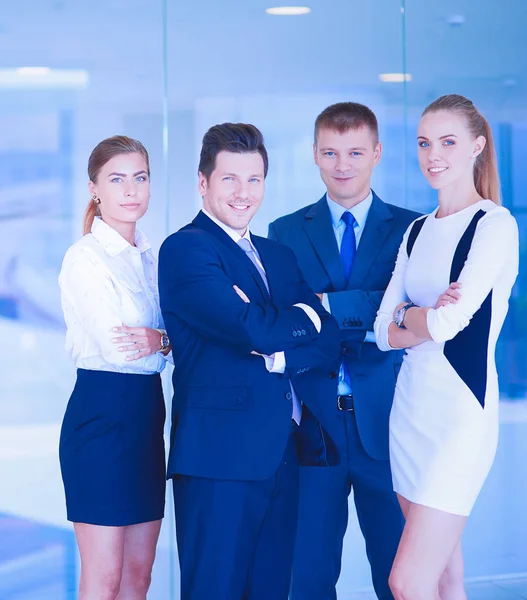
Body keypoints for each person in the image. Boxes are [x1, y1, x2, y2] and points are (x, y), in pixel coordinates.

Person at [158, 122, 341, 600]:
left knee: (271, 590)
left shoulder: (277, 256)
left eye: (254, 180)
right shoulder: (185, 249)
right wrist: (296, 318)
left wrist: (283, 339)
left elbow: (328, 337)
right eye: (229, 179)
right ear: (203, 182)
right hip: (218, 458)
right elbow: (247, 327)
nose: (243, 193)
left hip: (284, 453)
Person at [269, 102, 420, 599]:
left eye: (355, 152)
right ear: (314, 154)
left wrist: (326, 305)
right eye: (330, 152)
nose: (343, 164)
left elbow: (410, 310)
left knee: (399, 576)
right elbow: (290, 318)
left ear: (376, 153)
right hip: (313, 424)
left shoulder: (411, 229)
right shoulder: (286, 231)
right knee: (307, 577)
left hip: (389, 424)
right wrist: (375, 312)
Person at [374, 94, 519, 600]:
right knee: (443, 578)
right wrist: (423, 315)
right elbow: (380, 332)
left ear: (477, 145)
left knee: (406, 580)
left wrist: (410, 315)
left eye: (448, 142)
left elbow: (452, 323)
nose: (433, 154)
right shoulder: (416, 231)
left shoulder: (494, 225)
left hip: (460, 416)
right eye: (424, 143)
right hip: (411, 412)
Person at [58, 135, 171, 600]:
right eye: (117, 179)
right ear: (94, 189)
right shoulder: (85, 258)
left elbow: (168, 342)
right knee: (104, 578)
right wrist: (167, 344)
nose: (131, 190)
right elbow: (121, 348)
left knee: (139, 574)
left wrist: (163, 341)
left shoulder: (151, 257)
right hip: (100, 417)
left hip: (147, 417)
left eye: (140, 178)